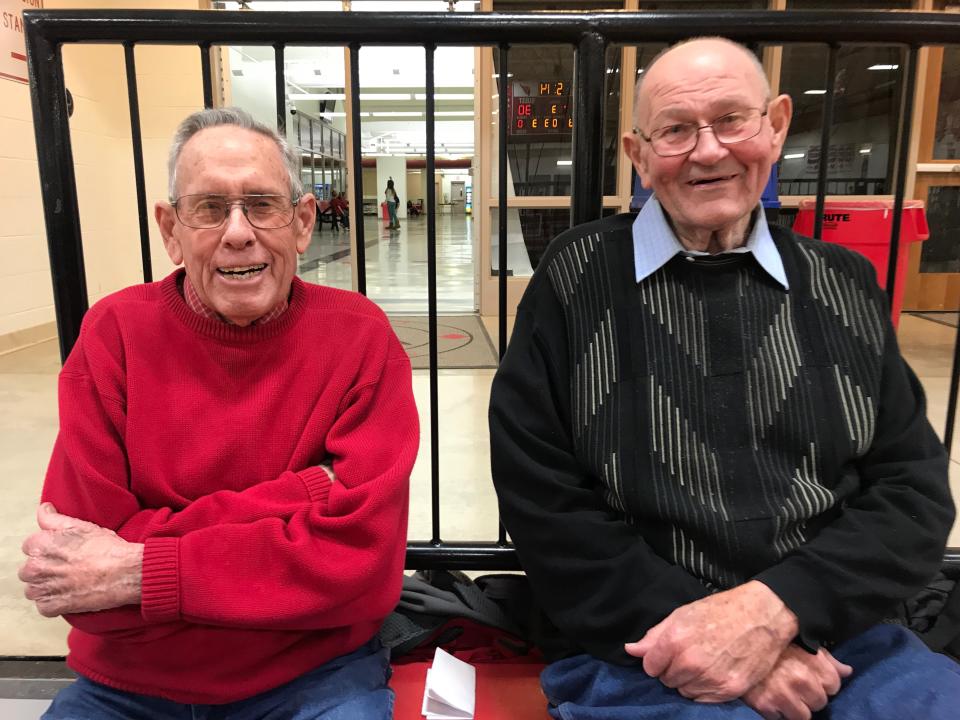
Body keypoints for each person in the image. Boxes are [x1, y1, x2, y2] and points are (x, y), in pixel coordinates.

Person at [489, 37, 959, 720]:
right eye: (676, 131)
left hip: (839, 640)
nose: (708, 152)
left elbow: (912, 494)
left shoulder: (844, 283)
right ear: (639, 156)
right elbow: (543, 506)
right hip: (639, 647)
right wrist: (711, 637)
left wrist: (777, 614)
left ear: (776, 125)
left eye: (733, 120)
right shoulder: (573, 281)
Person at [18, 107, 418, 719]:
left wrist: (139, 569)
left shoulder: (360, 339)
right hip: (132, 682)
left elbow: (360, 567)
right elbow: (78, 577)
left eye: (262, 204)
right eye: (209, 208)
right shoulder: (114, 334)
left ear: (304, 222)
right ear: (171, 230)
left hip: (313, 673)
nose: (238, 233)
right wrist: (307, 493)